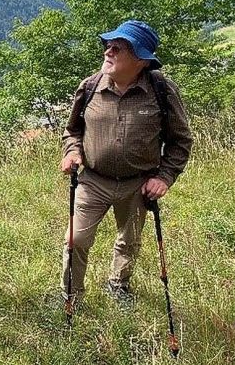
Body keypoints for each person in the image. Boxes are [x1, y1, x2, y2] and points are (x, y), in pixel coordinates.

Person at [60, 20, 192, 305]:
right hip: (93, 180)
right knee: (75, 240)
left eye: (118, 48)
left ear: (141, 60)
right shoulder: (91, 86)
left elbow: (181, 140)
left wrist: (165, 177)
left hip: (138, 183)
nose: (108, 51)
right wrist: (72, 152)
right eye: (108, 45)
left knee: (129, 240)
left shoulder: (161, 90)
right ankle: (71, 295)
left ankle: (118, 284)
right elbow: (72, 131)